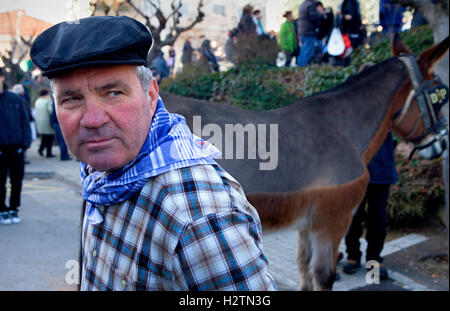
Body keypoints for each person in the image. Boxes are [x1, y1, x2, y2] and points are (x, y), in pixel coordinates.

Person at [30, 15, 276, 291]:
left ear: (150, 95)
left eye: (113, 93)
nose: (93, 119)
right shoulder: (101, 174)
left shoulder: (198, 215)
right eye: (72, 99)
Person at [343, 133, 398, 280]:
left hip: (381, 169)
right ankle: (352, 255)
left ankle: (374, 260)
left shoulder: (386, 110)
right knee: (354, 217)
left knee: (378, 217)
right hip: (355, 172)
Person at [0, 68, 32, 225]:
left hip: (17, 148)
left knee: (17, 181)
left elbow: (25, 122)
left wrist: (25, 145)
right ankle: (2, 209)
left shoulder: (15, 99)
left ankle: (14, 208)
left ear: (2, 78)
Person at [297, 0, 326, 66]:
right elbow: (314, 17)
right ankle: (304, 70)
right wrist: (321, 13)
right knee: (308, 52)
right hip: (309, 31)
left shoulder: (303, 4)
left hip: (302, 31)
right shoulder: (311, 4)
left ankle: (299, 68)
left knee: (303, 51)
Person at [35, 88, 55, 158]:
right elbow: (51, 110)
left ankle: (41, 149)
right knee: (50, 138)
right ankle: (48, 153)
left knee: (44, 137)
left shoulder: (38, 101)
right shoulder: (48, 101)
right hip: (47, 122)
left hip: (39, 122)